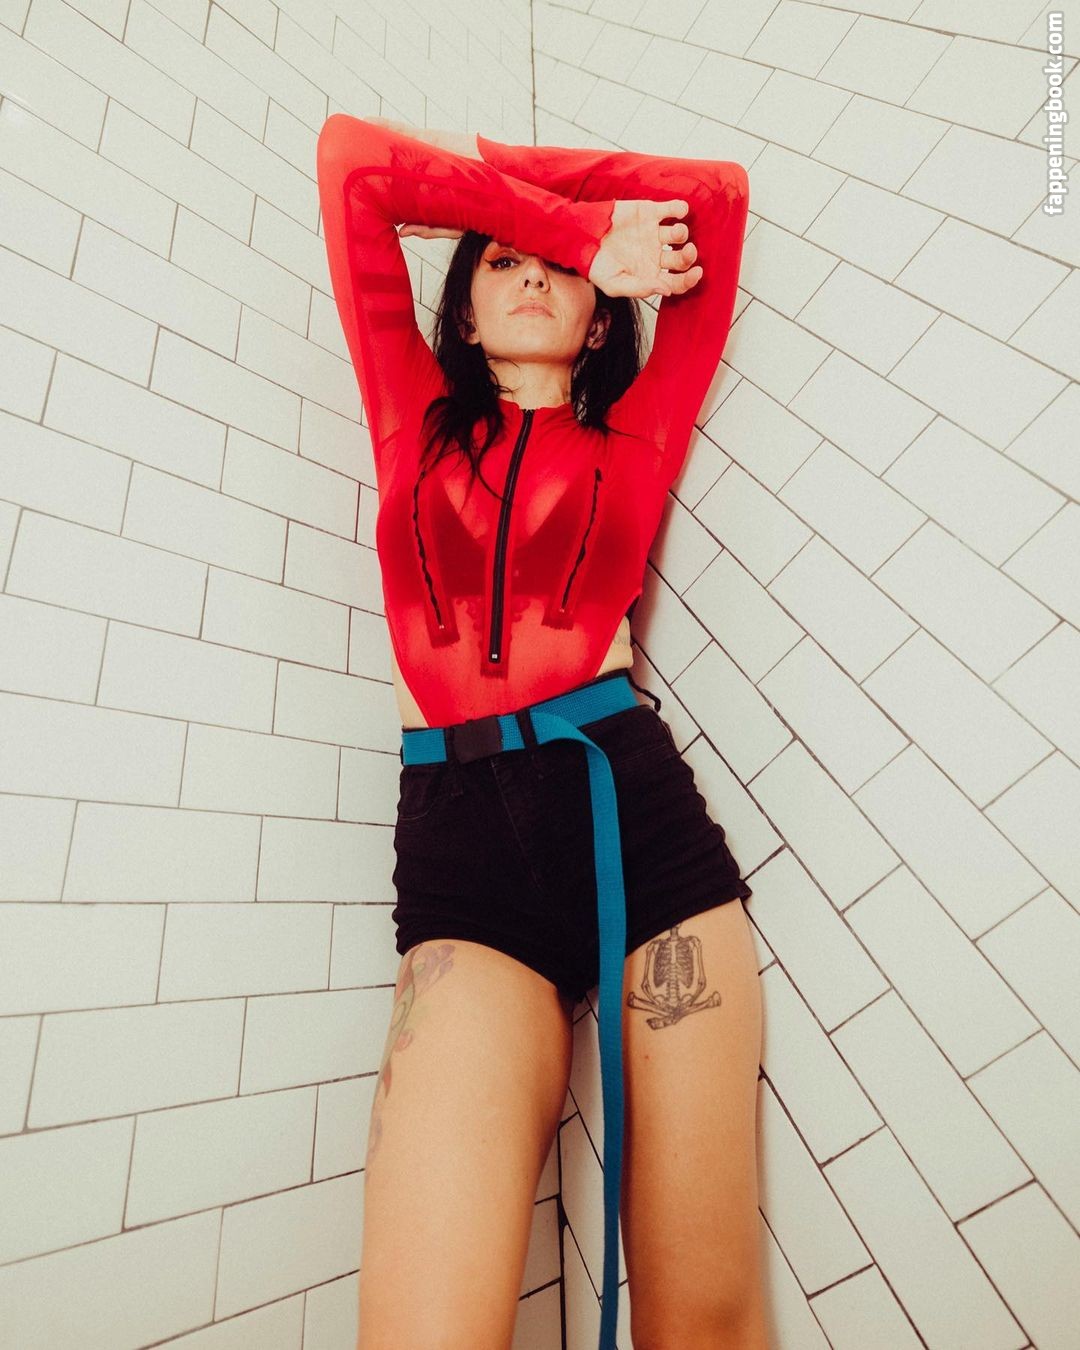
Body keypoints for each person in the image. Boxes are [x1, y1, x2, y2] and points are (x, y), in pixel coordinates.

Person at [316, 112, 767, 1350]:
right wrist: (561, 221)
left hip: (638, 830)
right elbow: (352, 163)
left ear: (606, 319)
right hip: (462, 857)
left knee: (703, 1323)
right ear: (461, 318)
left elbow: (717, 196)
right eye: (501, 260)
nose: (530, 273)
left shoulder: (638, 430)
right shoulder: (411, 415)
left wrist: (556, 212)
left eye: (559, 270)